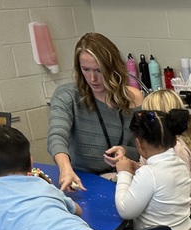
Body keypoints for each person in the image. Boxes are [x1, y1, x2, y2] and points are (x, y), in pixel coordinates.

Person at [47, 33, 143, 192]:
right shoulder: (67, 96)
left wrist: (126, 152)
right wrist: (65, 168)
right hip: (83, 181)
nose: (92, 78)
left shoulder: (133, 98)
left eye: (99, 70)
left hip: (125, 180)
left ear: (113, 68)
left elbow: (144, 149)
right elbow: (57, 135)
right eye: (86, 69)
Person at [113, 109, 191, 230]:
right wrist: (137, 168)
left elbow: (126, 210)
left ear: (138, 143)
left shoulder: (149, 173)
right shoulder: (179, 164)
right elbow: (162, 182)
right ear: (174, 141)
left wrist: (124, 173)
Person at [140, 89, 191, 230]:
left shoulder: (177, 150)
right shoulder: (158, 146)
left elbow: (172, 190)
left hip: (190, 213)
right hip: (177, 210)